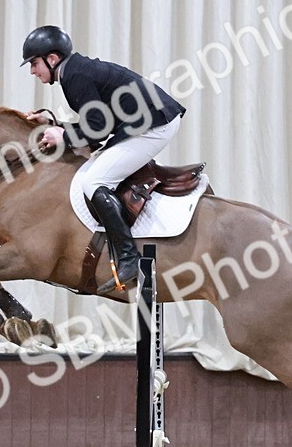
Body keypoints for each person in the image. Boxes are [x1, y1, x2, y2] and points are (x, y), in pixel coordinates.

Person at [21, 25, 186, 293]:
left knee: (94, 181)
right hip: (147, 121)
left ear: (52, 59)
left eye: (34, 63)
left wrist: (62, 135)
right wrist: (55, 123)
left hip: (154, 125)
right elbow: (98, 125)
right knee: (95, 174)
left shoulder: (74, 75)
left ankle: (129, 258)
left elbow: (96, 130)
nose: (32, 71)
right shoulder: (74, 71)